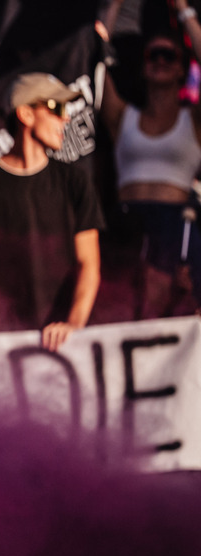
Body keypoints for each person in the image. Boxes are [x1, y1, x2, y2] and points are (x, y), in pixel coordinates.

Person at [0, 72, 104, 352]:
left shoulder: (75, 182)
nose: (66, 118)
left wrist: (73, 326)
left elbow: (89, 265)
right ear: (25, 114)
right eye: (57, 108)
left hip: (59, 347)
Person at [98, 0, 201, 318]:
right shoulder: (122, 116)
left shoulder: (193, 121)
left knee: (176, 314)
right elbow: (94, 58)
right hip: (126, 226)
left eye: (168, 55)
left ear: (182, 68)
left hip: (175, 226)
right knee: (120, 311)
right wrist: (114, 4)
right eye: (152, 55)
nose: (159, 61)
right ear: (142, 65)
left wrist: (183, 10)